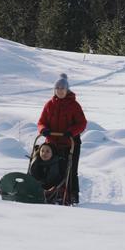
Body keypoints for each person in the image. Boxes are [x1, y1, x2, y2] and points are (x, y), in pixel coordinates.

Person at [37, 73, 86, 204]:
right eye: (57, 88)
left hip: (71, 143)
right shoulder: (49, 105)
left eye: (62, 89)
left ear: (67, 90)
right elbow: (41, 121)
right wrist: (43, 130)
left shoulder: (74, 105)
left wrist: (71, 132)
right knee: (51, 167)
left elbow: (82, 123)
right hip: (53, 143)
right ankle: (48, 190)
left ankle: (73, 195)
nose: (60, 91)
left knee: (71, 170)